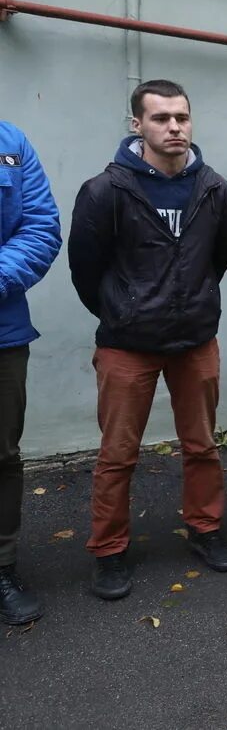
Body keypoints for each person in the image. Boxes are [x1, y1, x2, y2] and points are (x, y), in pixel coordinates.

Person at [69, 79, 227, 599]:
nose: (174, 128)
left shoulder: (212, 187)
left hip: (194, 340)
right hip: (127, 344)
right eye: (162, 118)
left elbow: (220, 258)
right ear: (136, 125)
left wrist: (191, 304)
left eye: (182, 118)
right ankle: (110, 550)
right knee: (118, 453)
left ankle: (205, 530)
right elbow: (86, 269)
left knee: (203, 445)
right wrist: (123, 311)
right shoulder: (106, 189)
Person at [0, 122, 60, 625]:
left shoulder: (11, 143)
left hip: (2, 330)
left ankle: (1, 568)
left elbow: (40, 226)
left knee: (2, 454)